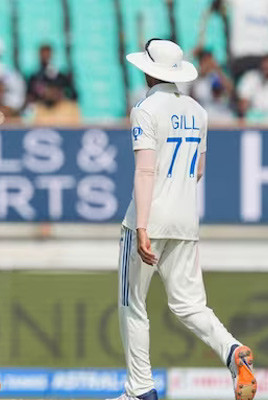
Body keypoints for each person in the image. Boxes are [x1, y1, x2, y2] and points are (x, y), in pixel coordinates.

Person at [108, 38, 256, 400]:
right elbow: (199, 170)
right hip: (186, 219)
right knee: (190, 305)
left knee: (133, 304)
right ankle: (231, 349)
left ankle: (140, 389)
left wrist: (142, 226)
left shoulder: (144, 109)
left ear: (148, 70)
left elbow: (144, 172)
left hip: (148, 218)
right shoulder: (198, 110)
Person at [237, 55, 268, 122]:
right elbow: (243, 104)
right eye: (265, 66)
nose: (266, 68)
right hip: (252, 119)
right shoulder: (250, 77)